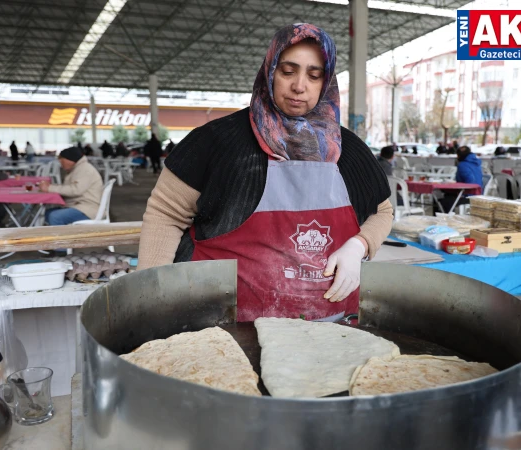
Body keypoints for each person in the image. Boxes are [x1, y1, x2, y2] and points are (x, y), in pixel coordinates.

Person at [138, 23, 392, 322]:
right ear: (269, 71)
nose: (300, 86)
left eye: (314, 75)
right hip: (225, 325)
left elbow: (383, 212)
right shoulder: (215, 141)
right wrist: (151, 298)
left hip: (331, 327)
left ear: (326, 81)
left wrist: (359, 245)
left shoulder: (348, 148)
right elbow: (165, 215)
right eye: (288, 71)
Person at [39, 147, 103, 225]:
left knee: (55, 216)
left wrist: (50, 188)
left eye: (62, 161)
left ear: (69, 160)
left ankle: (61, 237)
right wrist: (51, 187)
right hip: (80, 205)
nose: (61, 164)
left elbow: (75, 190)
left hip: (87, 209)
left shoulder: (85, 169)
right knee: (48, 213)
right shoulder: (78, 168)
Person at [433, 146, 482, 214]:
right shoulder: (476, 163)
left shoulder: (462, 165)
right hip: (478, 194)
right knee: (447, 196)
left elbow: (470, 181)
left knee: (441, 199)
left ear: (459, 155)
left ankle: (443, 219)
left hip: (468, 196)